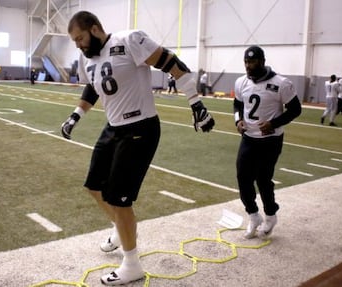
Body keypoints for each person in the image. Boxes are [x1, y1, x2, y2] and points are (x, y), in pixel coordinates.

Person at [61, 11, 214, 286]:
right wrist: (75, 117)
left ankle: (132, 265)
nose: (78, 45)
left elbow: (172, 63)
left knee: (120, 200)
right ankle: (121, 230)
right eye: (75, 41)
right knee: (94, 187)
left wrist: (196, 103)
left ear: (95, 29)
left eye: (80, 38)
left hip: (140, 128)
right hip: (114, 127)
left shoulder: (129, 40)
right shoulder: (89, 59)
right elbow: (92, 89)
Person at [233, 45, 302, 240]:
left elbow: (295, 109)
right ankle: (253, 215)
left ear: (262, 61)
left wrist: (274, 123)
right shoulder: (241, 82)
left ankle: (271, 215)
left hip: (271, 140)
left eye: (252, 61)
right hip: (249, 137)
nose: (248, 65)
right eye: (246, 61)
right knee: (242, 177)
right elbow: (238, 104)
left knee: (263, 179)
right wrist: (238, 120)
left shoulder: (281, 83)